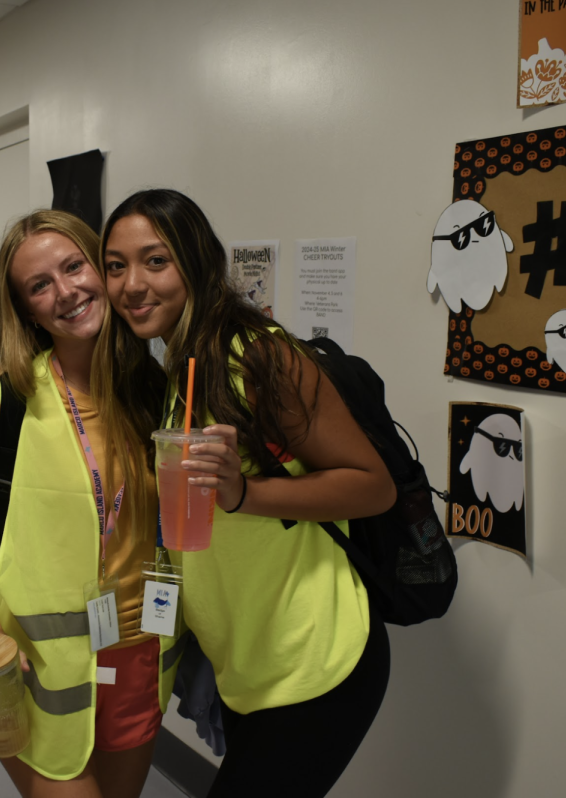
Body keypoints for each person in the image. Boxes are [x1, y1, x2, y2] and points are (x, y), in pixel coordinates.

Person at [100, 189, 396, 798]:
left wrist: (245, 494)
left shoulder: (257, 356)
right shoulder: (174, 370)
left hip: (314, 659)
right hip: (248, 667)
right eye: (115, 265)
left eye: (156, 261)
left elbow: (373, 487)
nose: (132, 283)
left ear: (200, 263)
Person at [0, 210, 176, 798]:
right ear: (25, 310)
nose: (67, 292)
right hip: (38, 669)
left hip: (143, 653)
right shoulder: (5, 401)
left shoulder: (155, 394)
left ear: (102, 269)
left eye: (75, 267)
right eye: (40, 285)